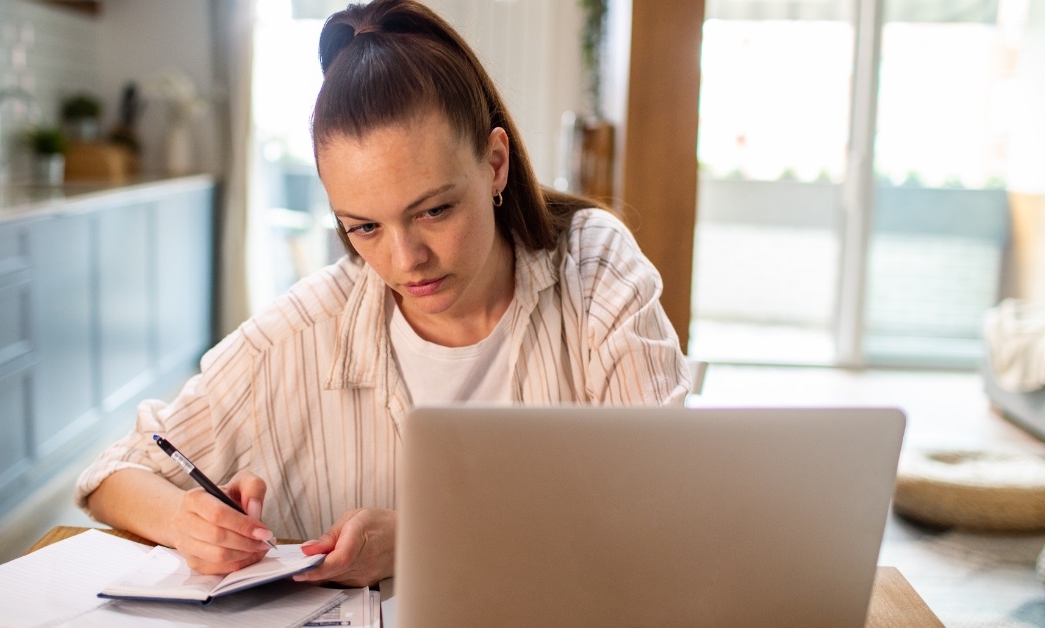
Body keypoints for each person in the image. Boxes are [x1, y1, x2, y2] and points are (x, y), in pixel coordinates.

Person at [77, 0, 690, 588]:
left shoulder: (592, 268)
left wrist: (425, 537)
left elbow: (663, 499)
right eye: (363, 227)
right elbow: (112, 471)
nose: (405, 260)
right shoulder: (303, 331)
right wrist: (186, 523)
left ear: (495, 163)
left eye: (435, 210)